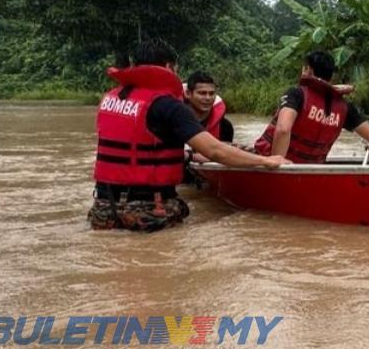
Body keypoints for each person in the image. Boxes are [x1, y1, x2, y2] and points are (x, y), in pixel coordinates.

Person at [89, 39, 288, 232]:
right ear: (169, 67)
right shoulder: (169, 106)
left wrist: (189, 156)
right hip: (149, 211)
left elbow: (137, 147)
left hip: (104, 209)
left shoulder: (110, 99)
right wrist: (266, 161)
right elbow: (215, 151)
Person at [253, 50, 369, 163]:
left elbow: (283, 130)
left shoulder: (296, 94)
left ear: (308, 70)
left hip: (279, 169)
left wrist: (277, 162)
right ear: (331, 76)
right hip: (312, 170)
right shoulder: (345, 107)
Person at [184, 71, 233, 142]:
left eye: (211, 93)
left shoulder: (225, 126)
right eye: (202, 93)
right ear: (188, 94)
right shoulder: (175, 122)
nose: (208, 98)